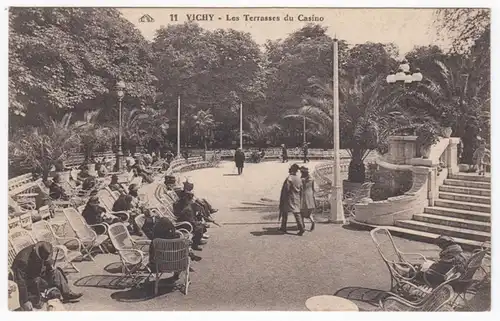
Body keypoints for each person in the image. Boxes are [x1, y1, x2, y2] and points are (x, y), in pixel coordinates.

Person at [11, 241, 82, 311]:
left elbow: (47, 261)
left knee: (57, 272)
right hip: (29, 280)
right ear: (36, 252)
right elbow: (20, 281)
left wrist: (51, 268)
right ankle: (37, 298)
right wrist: (25, 300)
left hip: (38, 273)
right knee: (38, 301)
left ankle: (67, 294)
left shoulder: (42, 251)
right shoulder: (22, 260)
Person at [278, 164, 305, 235]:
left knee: (284, 212)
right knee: (297, 213)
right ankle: (301, 227)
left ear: (292, 170)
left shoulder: (289, 178)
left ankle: (283, 227)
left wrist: (283, 198)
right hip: (297, 197)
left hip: (289, 198)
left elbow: (286, 189)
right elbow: (302, 189)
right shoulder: (299, 179)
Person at [300, 166, 316, 231]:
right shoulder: (312, 179)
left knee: (301, 212)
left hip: (304, 197)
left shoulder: (302, 179)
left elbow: (301, 188)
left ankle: (302, 226)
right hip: (310, 197)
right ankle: (312, 221)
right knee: (309, 213)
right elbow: (313, 189)